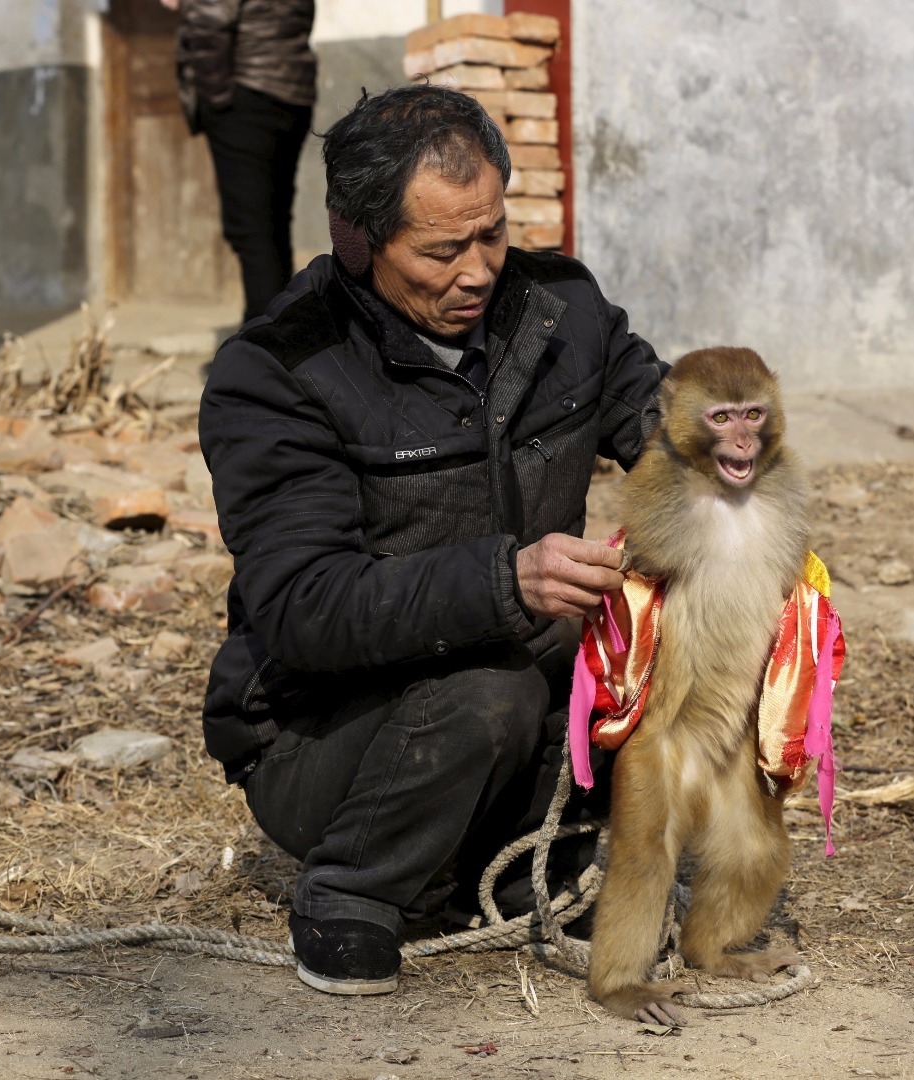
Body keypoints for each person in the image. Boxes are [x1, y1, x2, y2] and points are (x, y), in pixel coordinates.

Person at [196, 84, 668, 996]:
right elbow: (304, 609)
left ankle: (538, 860)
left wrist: (731, 481)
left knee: (676, 622)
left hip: (526, 690)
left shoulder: (561, 311)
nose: (481, 270)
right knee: (485, 691)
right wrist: (507, 579)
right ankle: (351, 893)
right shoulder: (279, 370)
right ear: (355, 238)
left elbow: (665, 428)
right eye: (443, 250)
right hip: (326, 734)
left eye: (491, 232)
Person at [171, 0, 317, 323]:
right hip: (291, 90)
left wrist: (216, 99)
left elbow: (210, 20)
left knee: (252, 232)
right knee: (272, 227)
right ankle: (282, 341)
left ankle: (261, 353)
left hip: (247, 93)